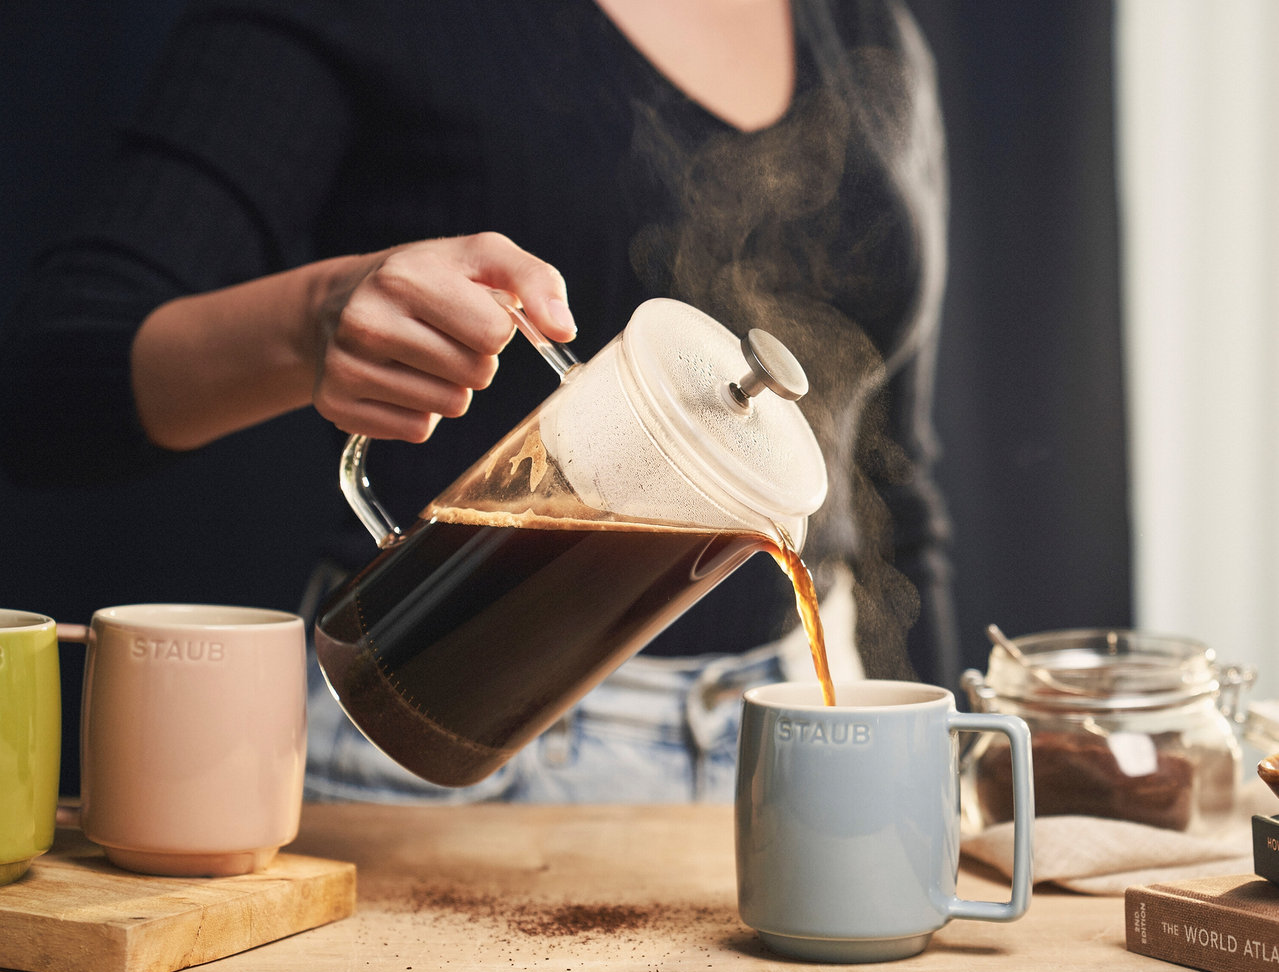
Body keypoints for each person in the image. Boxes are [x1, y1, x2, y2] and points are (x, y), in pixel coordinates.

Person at [0, 0, 955, 803]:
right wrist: (310, 321)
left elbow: (891, 484)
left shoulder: (864, 25)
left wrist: (951, 771)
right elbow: (48, 387)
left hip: (798, 732)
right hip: (445, 733)